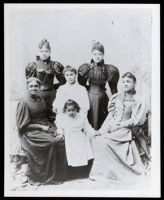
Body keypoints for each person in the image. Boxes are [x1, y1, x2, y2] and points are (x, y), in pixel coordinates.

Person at [89, 72, 147, 185]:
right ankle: (104, 174)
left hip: (127, 128)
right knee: (99, 139)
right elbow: (110, 116)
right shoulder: (116, 97)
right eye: (123, 81)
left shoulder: (139, 99)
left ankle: (121, 173)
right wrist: (101, 130)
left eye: (128, 82)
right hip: (113, 126)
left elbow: (136, 119)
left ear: (134, 83)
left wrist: (119, 126)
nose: (125, 84)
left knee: (106, 142)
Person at [16, 77, 67, 185]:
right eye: (31, 86)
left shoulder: (41, 99)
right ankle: (47, 176)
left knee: (62, 139)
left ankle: (59, 175)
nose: (34, 88)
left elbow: (49, 116)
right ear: (27, 87)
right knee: (53, 142)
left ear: (39, 87)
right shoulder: (24, 102)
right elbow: (22, 126)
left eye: (36, 86)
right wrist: (40, 127)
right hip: (31, 132)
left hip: (46, 127)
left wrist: (57, 128)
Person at [78, 41, 120, 130]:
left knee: (102, 124)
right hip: (89, 98)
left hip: (102, 98)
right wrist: (89, 91)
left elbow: (113, 88)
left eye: (100, 54)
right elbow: (81, 86)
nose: (97, 56)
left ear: (103, 55)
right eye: (95, 54)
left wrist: (116, 102)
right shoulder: (86, 69)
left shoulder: (109, 70)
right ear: (92, 54)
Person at [25, 38, 66, 121]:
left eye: (46, 51)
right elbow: (30, 82)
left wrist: (54, 87)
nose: (44, 53)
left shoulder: (55, 64)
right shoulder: (34, 65)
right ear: (38, 52)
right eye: (41, 51)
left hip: (51, 94)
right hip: (38, 94)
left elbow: (63, 81)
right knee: (39, 115)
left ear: (50, 52)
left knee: (53, 114)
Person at [55, 99, 96, 178]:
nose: (71, 112)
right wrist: (60, 133)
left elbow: (87, 127)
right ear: (65, 111)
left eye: (73, 110)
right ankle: (74, 173)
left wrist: (93, 132)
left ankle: (83, 172)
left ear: (76, 109)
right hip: (70, 139)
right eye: (69, 110)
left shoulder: (81, 117)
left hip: (80, 138)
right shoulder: (63, 119)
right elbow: (60, 127)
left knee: (82, 154)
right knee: (73, 156)